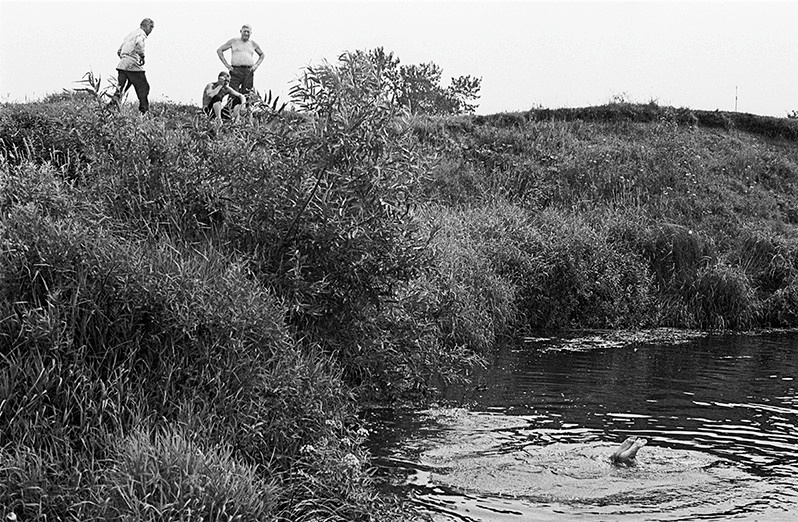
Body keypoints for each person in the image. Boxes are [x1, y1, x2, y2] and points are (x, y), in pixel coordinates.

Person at [112, 18, 155, 115]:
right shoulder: (141, 35)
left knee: (120, 89)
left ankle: (110, 109)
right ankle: (144, 112)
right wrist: (142, 56)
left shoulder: (130, 35)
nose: (151, 31)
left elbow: (119, 51)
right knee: (143, 87)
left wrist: (125, 58)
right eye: (151, 28)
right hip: (132, 64)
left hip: (122, 65)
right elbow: (139, 43)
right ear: (148, 27)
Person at [216, 24, 265, 97]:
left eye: (248, 32)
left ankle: (245, 108)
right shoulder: (234, 41)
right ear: (241, 31)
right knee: (233, 93)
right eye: (244, 31)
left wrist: (256, 66)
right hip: (236, 70)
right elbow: (219, 50)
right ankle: (233, 108)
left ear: (251, 33)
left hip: (248, 71)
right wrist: (227, 66)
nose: (246, 33)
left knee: (247, 94)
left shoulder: (253, 43)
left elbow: (262, 55)